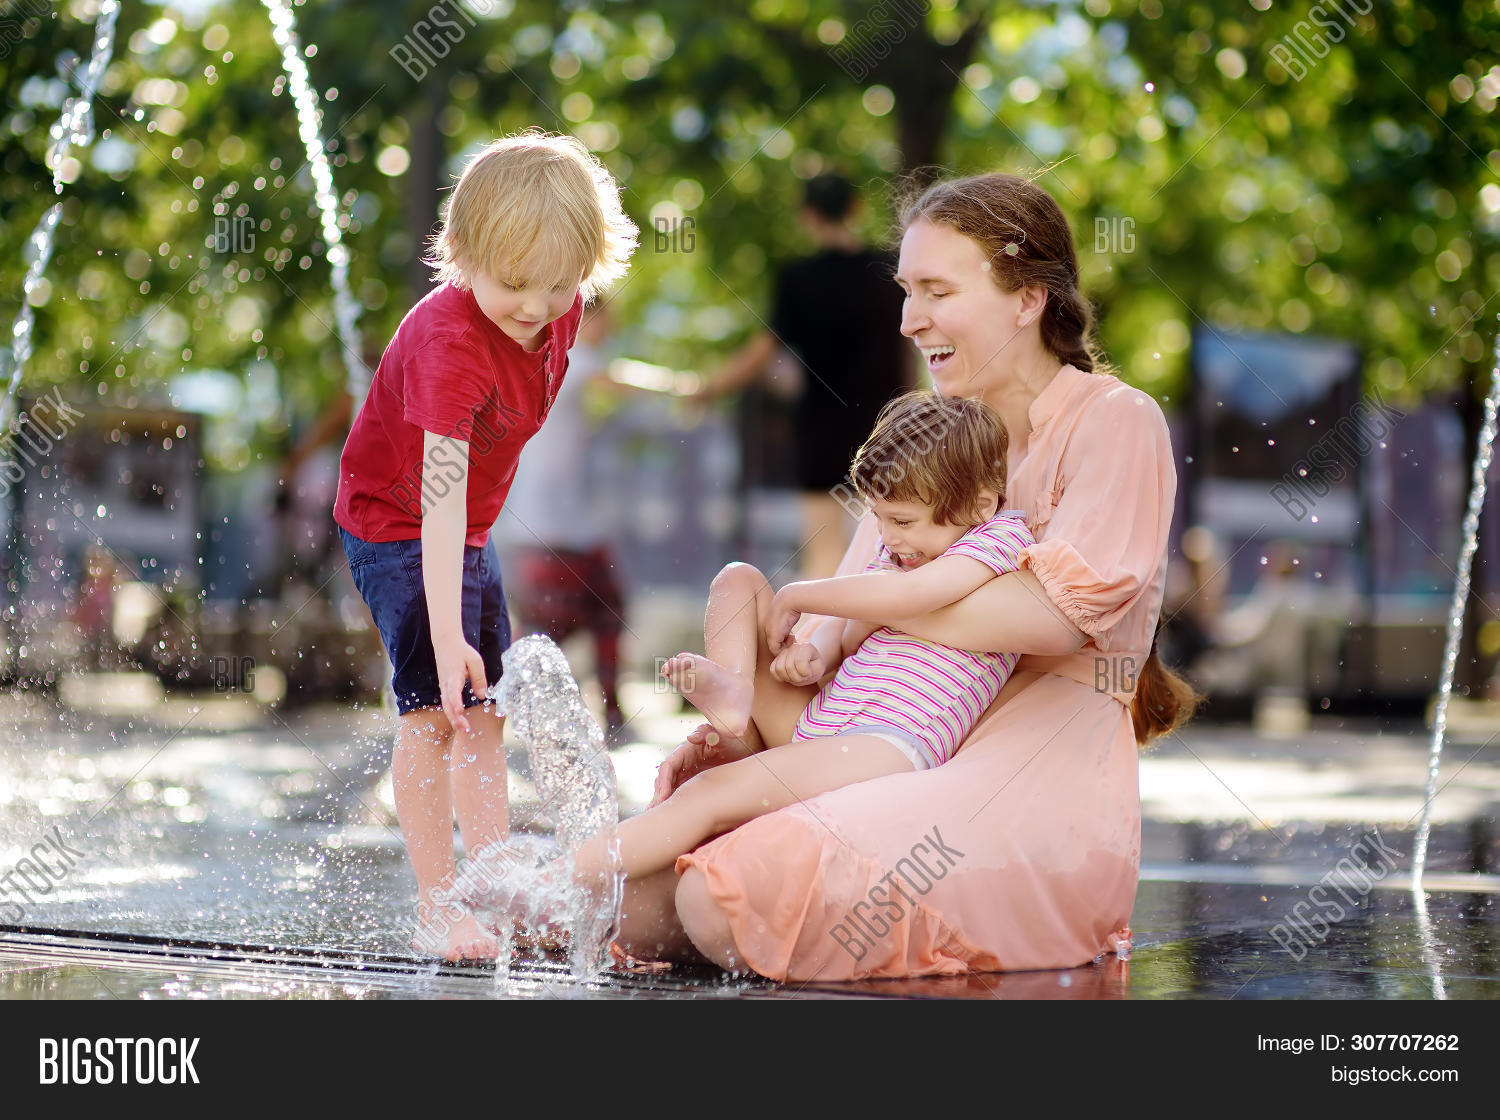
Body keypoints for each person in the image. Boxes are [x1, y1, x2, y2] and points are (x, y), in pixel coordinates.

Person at [612, 170, 1198, 980]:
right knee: (637, 911)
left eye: (936, 290)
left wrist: (871, 606)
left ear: (1027, 298)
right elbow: (839, 620)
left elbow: (1048, 619)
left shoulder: (1116, 420)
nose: (909, 319)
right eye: (905, 290)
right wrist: (801, 652)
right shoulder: (931, 428)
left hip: (1030, 765)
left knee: (720, 901)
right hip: (889, 728)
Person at [332, 130, 636, 961]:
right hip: (399, 523)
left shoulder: (555, 303)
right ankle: (438, 907)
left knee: (486, 714)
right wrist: (447, 627)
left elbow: (462, 506)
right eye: (513, 285)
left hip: (464, 525)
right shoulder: (450, 343)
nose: (538, 307)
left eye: (561, 284)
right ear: (461, 254)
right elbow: (435, 499)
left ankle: (494, 890)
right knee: (434, 709)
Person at [547, 392, 1034, 894]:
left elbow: (911, 597)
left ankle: (548, 889)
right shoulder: (900, 555)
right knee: (739, 581)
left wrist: (803, 593)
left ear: (978, 505)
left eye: (903, 521)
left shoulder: (997, 538)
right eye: (880, 519)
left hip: (885, 749)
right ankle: (734, 695)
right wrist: (813, 654)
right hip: (822, 724)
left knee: (708, 794)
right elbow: (848, 636)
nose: (887, 537)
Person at [693, 173, 913, 579]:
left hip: (822, 432)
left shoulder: (798, 278)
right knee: (888, 548)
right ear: (855, 208)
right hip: (890, 428)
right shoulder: (890, 271)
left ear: (808, 215)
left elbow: (761, 352)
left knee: (823, 556)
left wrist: (706, 388)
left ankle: (819, 638)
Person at [496, 306, 629, 737]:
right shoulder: (572, 359)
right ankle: (500, 702)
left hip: (555, 525)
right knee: (552, 622)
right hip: (548, 528)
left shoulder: (546, 362)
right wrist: (690, 386)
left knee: (591, 612)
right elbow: (623, 382)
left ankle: (602, 707)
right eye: (608, 318)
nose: (613, 328)